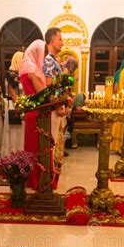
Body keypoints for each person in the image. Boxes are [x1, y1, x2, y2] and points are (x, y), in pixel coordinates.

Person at [19, 39, 46, 189]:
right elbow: (42, 94)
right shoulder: (32, 69)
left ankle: (32, 178)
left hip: (31, 111)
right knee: (36, 148)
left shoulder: (24, 66)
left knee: (31, 147)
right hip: (37, 113)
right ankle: (36, 180)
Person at [43, 27, 68, 173]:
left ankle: (52, 168)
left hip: (57, 107)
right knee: (51, 140)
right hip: (53, 108)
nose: (62, 42)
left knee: (55, 140)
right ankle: (49, 171)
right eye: (60, 39)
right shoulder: (48, 61)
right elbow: (49, 86)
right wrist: (58, 105)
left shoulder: (52, 60)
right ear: (52, 40)